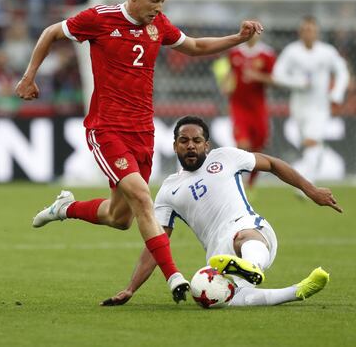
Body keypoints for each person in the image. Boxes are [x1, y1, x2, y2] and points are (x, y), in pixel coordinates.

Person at [15, 0, 263, 303]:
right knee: (144, 197)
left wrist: (238, 38)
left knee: (120, 217)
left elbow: (194, 46)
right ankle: (174, 276)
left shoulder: (157, 25)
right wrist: (29, 77)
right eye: (154, 0)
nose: (158, 7)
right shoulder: (98, 18)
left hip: (142, 132)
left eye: (163, 1)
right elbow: (50, 33)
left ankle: (66, 208)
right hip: (107, 129)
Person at [101, 115, 342, 307]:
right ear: (174, 146)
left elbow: (272, 164)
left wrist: (311, 190)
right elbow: (157, 243)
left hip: (249, 227)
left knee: (244, 236)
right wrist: (131, 288)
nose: (191, 146)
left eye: (197, 141)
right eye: (184, 141)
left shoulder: (225, 157)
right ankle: (297, 291)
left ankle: (252, 266)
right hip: (218, 257)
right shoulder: (168, 190)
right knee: (221, 298)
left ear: (207, 145)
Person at [254, 16, 349, 189]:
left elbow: (342, 72)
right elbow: (278, 75)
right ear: (300, 32)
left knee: (311, 141)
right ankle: (311, 175)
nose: (308, 33)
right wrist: (298, 82)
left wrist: (337, 93)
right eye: (305, 30)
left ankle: (307, 186)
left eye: (311, 30)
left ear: (317, 32)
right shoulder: (292, 52)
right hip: (298, 105)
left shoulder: (327, 52)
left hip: (320, 106)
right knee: (310, 144)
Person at [212, 33, 276, 189]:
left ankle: (251, 183)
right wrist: (226, 84)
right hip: (238, 106)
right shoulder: (235, 52)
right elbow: (230, 73)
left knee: (258, 146)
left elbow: (274, 80)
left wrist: (258, 76)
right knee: (242, 144)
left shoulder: (267, 54)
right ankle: (236, 183)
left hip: (258, 108)